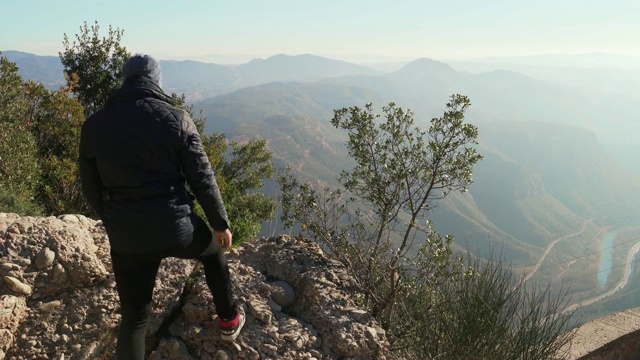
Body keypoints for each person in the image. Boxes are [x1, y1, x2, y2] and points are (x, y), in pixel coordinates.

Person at [79, 54, 245, 360]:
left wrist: (113, 220)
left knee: (135, 318)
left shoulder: (94, 125)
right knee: (212, 253)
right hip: (176, 228)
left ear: (126, 81)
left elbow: (91, 187)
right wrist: (220, 224)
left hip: (128, 237)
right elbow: (202, 178)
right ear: (157, 81)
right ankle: (229, 320)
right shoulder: (176, 118)